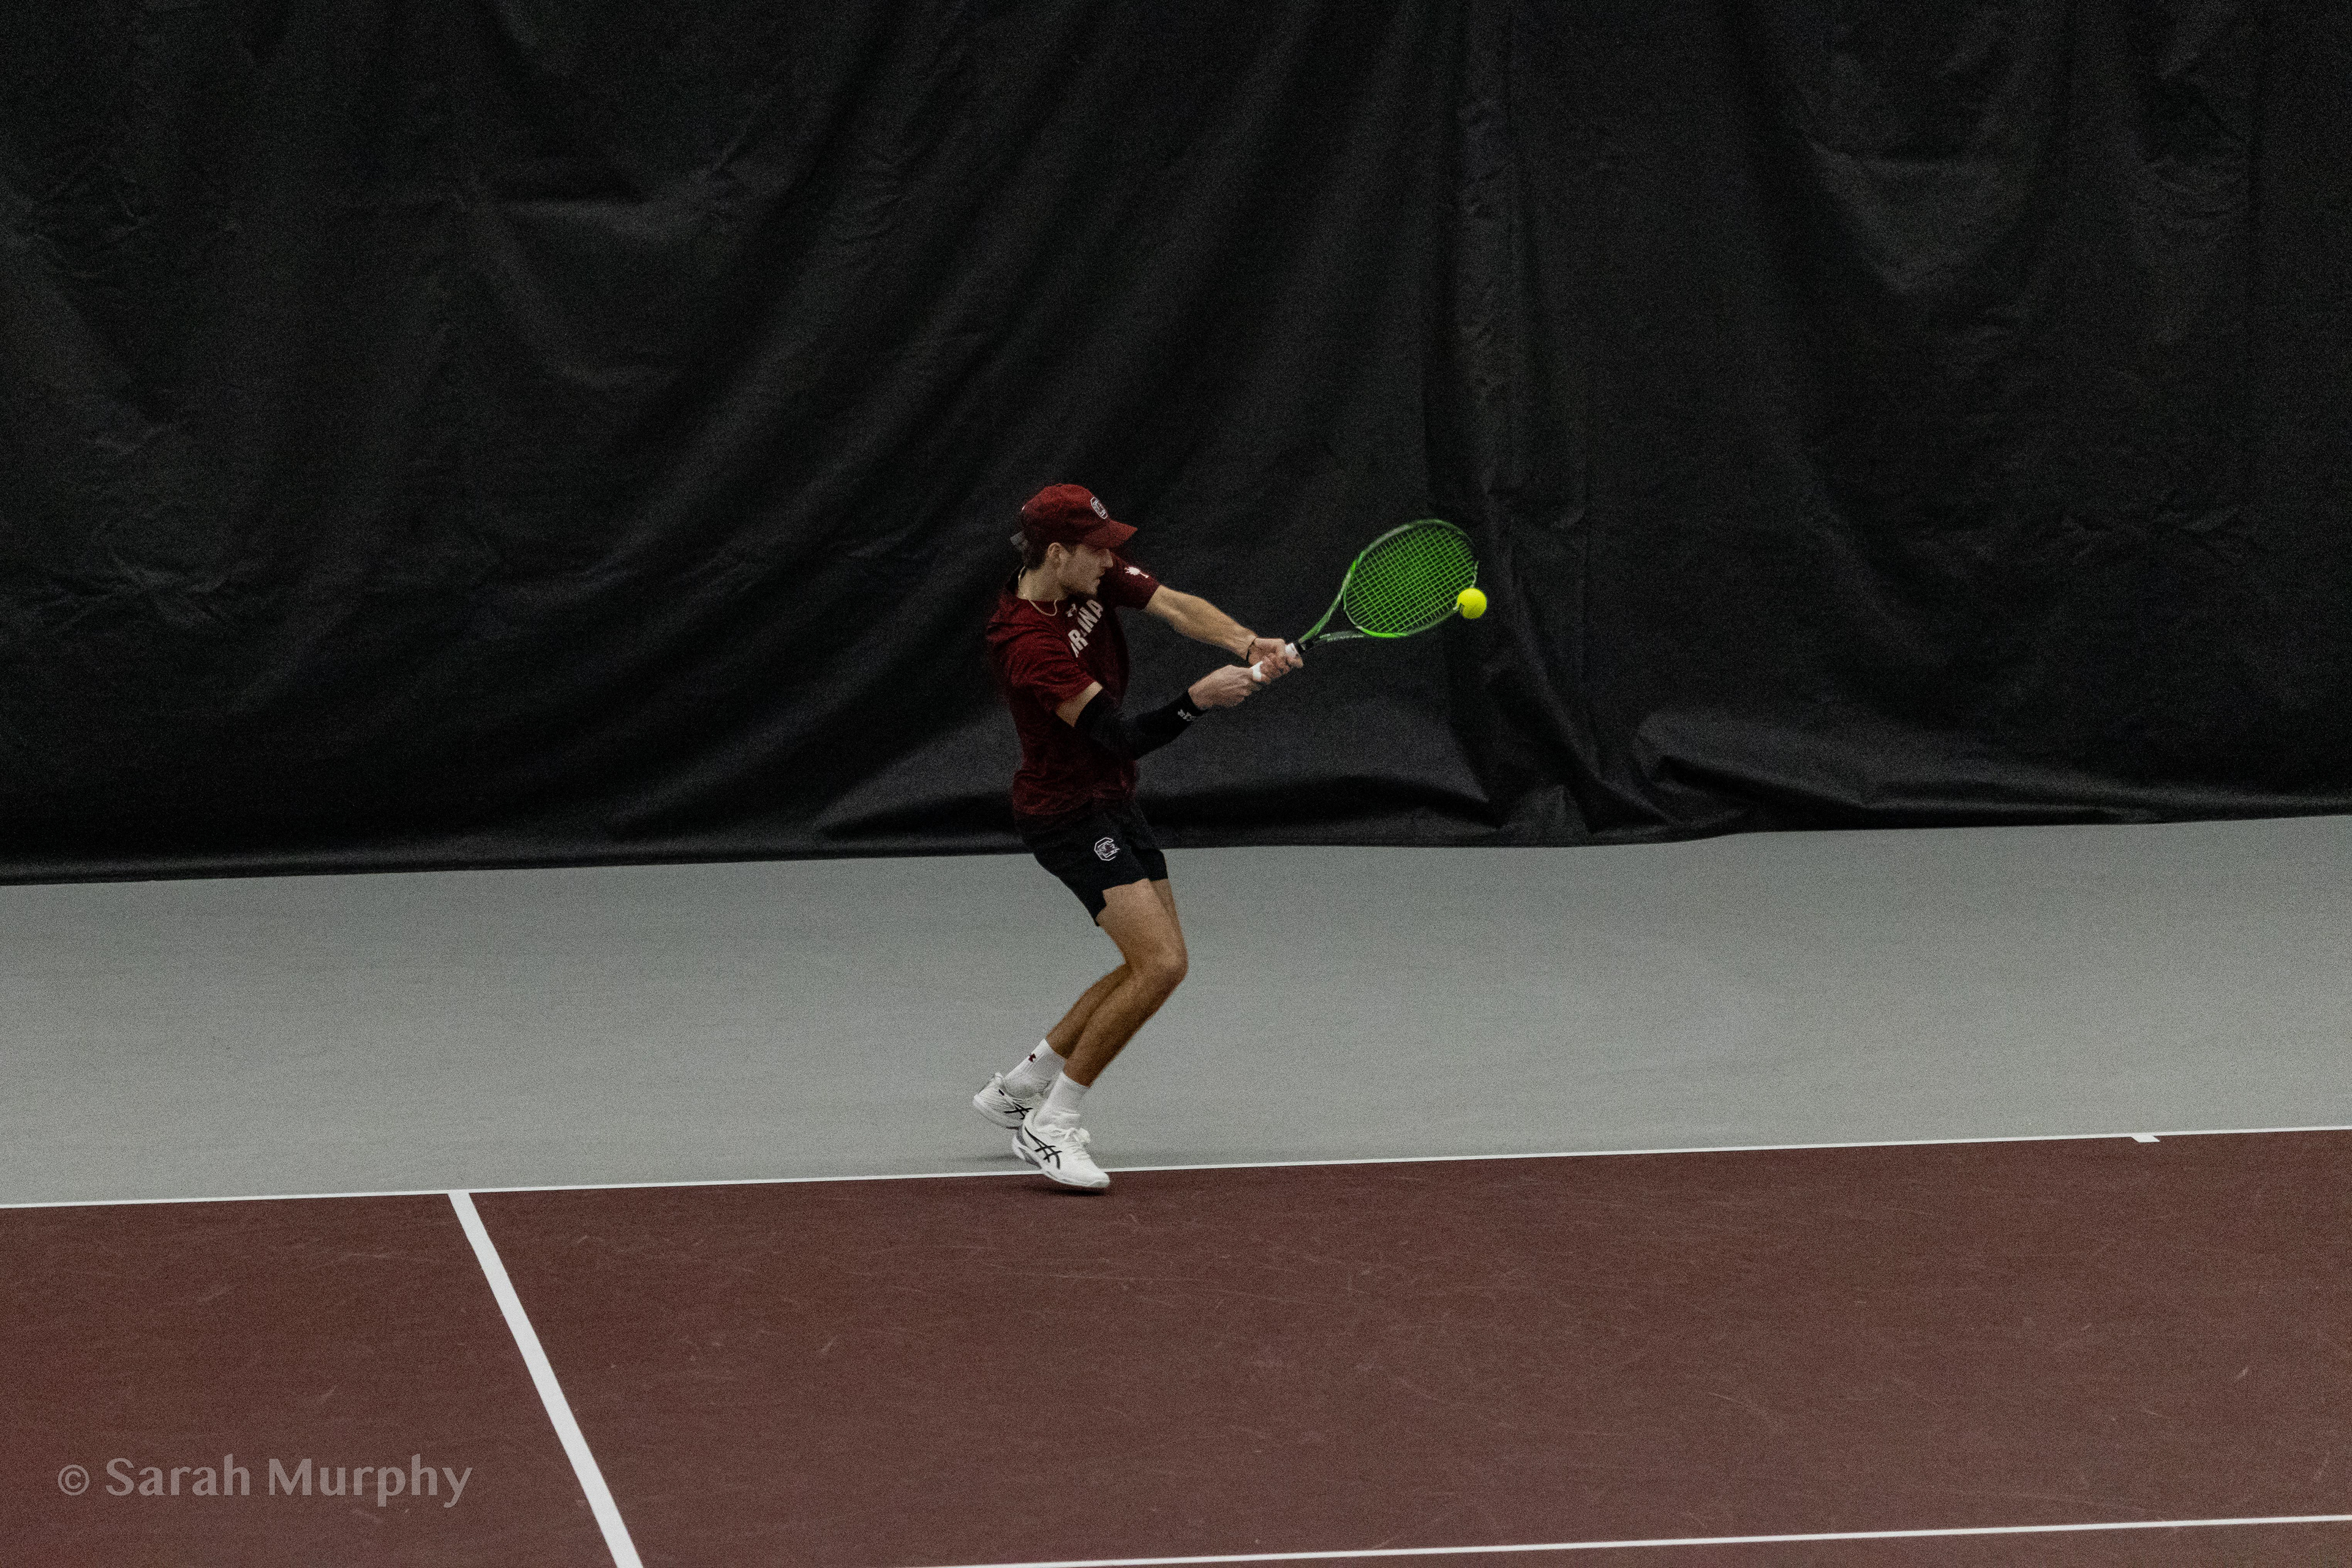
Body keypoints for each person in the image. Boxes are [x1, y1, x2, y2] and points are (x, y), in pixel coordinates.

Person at [976, 483, 1302, 1191]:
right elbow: (1119, 735)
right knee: (1159, 963)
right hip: (1066, 813)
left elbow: (1177, 606)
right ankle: (1050, 1125)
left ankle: (1021, 1087)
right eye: (1096, 550)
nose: (1110, 561)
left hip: (1111, 798)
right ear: (1056, 553)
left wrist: (1247, 643)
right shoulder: (1027, 645)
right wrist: (1197, 701)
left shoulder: (1087, 574)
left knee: (1157, 962)